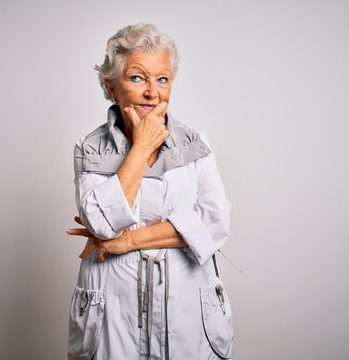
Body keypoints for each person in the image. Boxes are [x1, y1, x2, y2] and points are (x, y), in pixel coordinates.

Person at [66, 23, 233, 359]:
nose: (153, 92)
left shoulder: (194, 143)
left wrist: (127, 240)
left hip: (188, 310)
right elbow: (100, 223)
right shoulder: (90, 148)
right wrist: (141, 148)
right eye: (138, 77)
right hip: (113, 313)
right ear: (110, 86)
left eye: (163, 79)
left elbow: (214, 223)